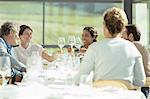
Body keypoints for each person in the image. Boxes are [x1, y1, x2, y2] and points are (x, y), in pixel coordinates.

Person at [74, 7, 146, 87]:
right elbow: (141, 81)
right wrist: (122, 84)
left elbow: (79, 79)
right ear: (122, 28)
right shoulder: (131, 48)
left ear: (105, 26)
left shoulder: (95, 48)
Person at [122, 24, 150, 98]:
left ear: (130, 36)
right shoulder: (143, 46)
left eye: (123, 34)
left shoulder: (130, 46)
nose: (121, 37)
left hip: (136, 82)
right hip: (146, 82)